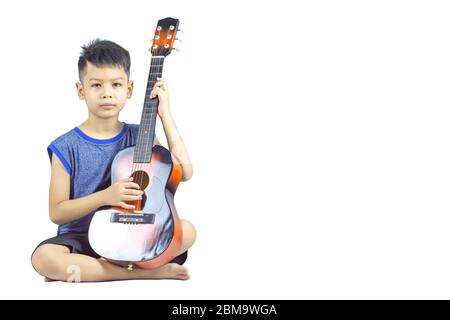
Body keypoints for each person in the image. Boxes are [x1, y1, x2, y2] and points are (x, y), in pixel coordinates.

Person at [31, 39, 196, 282]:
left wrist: (166, 115)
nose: (107, 92)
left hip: (135, 234)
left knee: (188, 230)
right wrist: (106, 197)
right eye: (96, 85)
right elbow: (57, 212)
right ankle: (146, 272)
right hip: (81, 237)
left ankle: (96, 269)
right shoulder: (65, 146)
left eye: (116, 84)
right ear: (81, 90)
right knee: (44, 257)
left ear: (129, 90)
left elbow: (185, 171)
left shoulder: (141, 136)